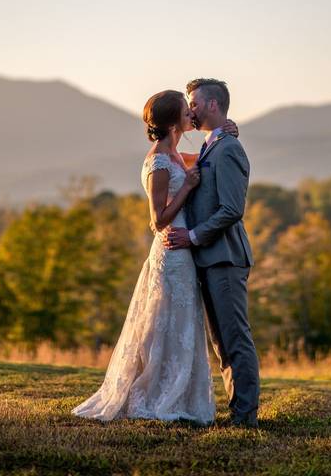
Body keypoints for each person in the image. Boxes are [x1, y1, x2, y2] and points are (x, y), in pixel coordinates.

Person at [72, 89, 238, 424]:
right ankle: (154, 395)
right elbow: (157, 220)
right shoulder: (159, 161)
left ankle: (179, 394)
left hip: (184, 251)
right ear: (173, 120)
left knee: (179, 324)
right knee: (162, 326)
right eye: (185, 109)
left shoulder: (175, 154)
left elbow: (206, 157)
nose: (191, 113)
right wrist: (189, 188)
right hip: (171, 251)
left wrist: (227, 131)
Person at [166, 78, 260, 428]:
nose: (189, 108)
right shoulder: (213, 143)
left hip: (225, 257)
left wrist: (191, 236)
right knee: (221, 343)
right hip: (208, 259)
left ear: (211, 105)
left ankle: (245, 416)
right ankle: (238, 411)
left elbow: (232, 209)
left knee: (235, 339)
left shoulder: (230, 148)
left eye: (193, 102)